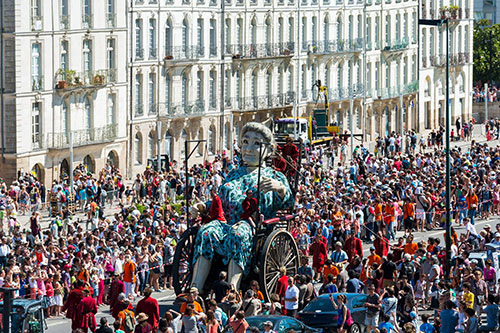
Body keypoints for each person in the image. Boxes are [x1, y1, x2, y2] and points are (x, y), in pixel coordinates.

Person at [192, 122, 293, 291]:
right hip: (226, 223)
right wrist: (203, 206)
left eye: (256, 144)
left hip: (253, 227)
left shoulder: (275, 175)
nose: (249, 148)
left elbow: (288, 203)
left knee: (238, 234)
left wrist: (280, 188)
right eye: (245, 142)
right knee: (206, 232)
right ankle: (196, 286)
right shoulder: (233, 174)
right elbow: (220, 201)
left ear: (268, 150)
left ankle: (233, 287)